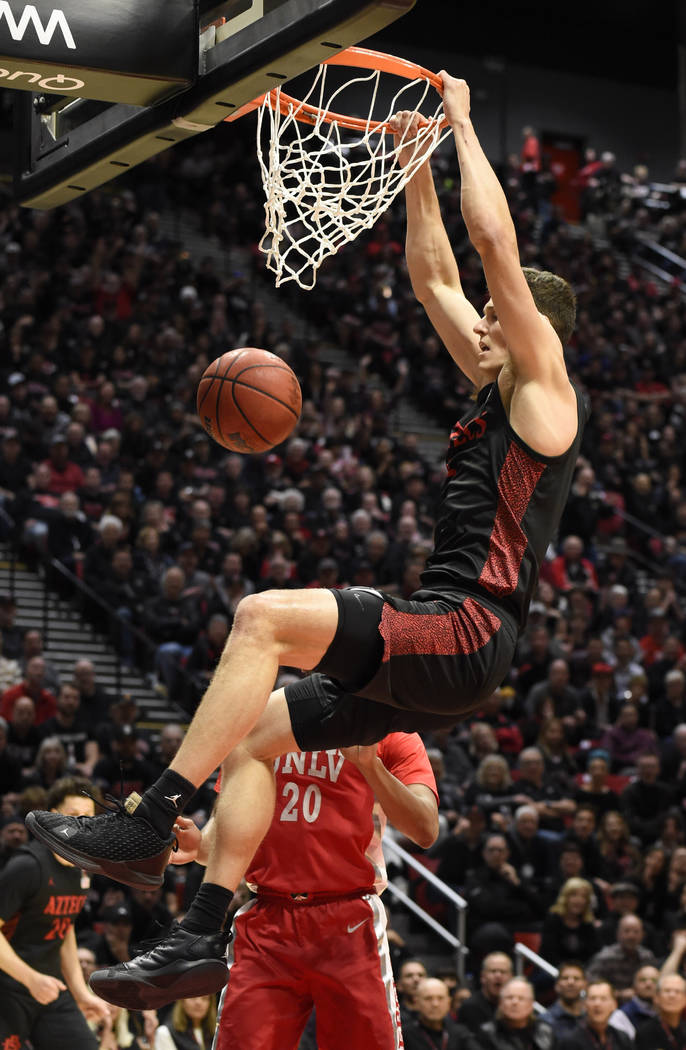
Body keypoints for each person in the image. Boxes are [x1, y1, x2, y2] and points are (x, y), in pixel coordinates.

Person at [27, 73, 587, 1002]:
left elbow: (490, 245)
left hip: (468, 627)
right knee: (256, 738)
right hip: (450, 641)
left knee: (262, 619)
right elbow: (435, 276)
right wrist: (412, 169)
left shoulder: (545, 393)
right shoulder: (498, 382)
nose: (476, 325)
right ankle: (202, 932)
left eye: (496, 319)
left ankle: (147, 817)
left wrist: (460, 123)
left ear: (533, 333)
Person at [91, 733, 439, 1050]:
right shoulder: (266, 717)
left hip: (348, 918)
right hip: (268, 921)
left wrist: (370, 766)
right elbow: (233, 821)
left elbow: (425, 829)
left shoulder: (390, 730)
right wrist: (201, 845)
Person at [0, 776, 110, 1050]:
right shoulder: (27, 866)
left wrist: (80, 992)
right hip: (8, 987)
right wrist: (30, 979)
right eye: (73, 815)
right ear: (52, 817)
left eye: (88, 816)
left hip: (49, 986)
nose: (82, 823)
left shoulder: (82, 868)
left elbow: (65, 928)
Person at [475, 977, 555, 1050]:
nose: (515, 1002)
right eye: (509, 997)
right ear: (500, 1003)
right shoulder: (487, 1033)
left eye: (521, 998)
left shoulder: (545, 1031)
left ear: (531, 1004)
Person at [404, 977, 475, 1050]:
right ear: (417, 1002)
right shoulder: (404, 1035)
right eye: (428, 998)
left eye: (440, 998)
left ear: (449, 1002)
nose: (435, 1004)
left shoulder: (460, 1033)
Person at [558, 981, 633, 1050]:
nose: (597, 1004)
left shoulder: (622, 1037)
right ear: (584, 1005)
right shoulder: (570, 1041)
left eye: (603, 999)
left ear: (614, 1005)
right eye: (592, 998)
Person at [457, 952, 514, 1034]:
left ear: (511, 977)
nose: (498, 975)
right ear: (482, 977)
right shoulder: (469, 1007)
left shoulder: (516, 1006)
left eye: (503, 972)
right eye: (493, 971)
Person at [635, 973, 686, 1050]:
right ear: (656, 997)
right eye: (667, 991)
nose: (672, 995)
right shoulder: (645, 1031)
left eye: (677, 991)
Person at [541, 961, 588, 1038]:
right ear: (557, 985)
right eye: (565, 978)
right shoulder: (545, 1021)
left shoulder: (592, 1017)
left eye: (576, 978)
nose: (571, 982)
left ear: (585, 984)